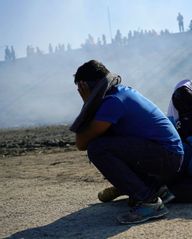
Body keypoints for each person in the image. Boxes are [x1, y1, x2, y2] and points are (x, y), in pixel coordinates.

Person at [71, 60, 184, 224]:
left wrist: (87, 103)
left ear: (86, 87)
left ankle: (149, 202)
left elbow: (81, 143)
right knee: (106, 141)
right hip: (168, 155)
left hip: (166, 157)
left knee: (98, 148)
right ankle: (156, 189)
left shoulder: (112, 102)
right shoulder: (119, 92)